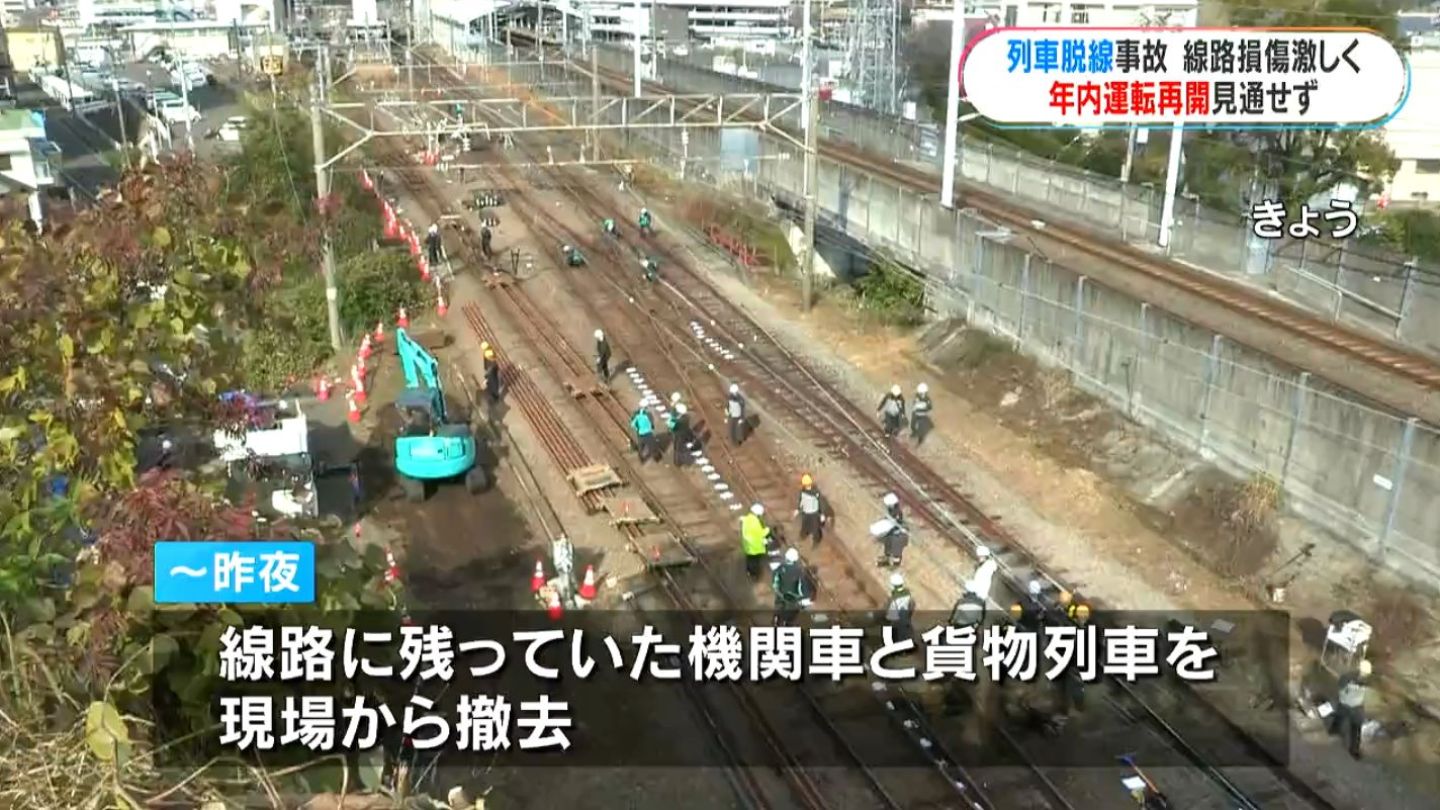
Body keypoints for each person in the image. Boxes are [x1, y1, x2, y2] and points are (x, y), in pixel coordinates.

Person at [1333, 659, 1371, 759]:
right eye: (1364, 673)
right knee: (1343, 718)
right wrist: (1347, 692)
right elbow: (1341, 687)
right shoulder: (1348, 678)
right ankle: (1335, 729)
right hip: (1347, 703)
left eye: (1366, 674)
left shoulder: (1365, 680)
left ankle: (1354, 749)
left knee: (1355, 727)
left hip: (1355, 704)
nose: (1365, 675)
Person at [772, 547, 812, 626]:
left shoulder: (780, 568)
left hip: (780, 595)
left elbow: (775, 581)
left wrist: (777, 590)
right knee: (790, 614)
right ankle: (786, 624)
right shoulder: (799, 572)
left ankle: (776, 620)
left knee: (778, 608)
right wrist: (805, 597)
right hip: (793, 599)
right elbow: (802, 588)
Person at [741, 503, 771, 579]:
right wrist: (767, 530)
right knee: (755, 561)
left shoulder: (747, 519)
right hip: (755, 545)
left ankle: (749, 572)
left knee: (749, 559)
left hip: (747, 544)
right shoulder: (755, 522)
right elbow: (760, 533)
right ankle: (755, 574)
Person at [877, 492, 907, 568]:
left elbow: (896, 523)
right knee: (888, 544)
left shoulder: (896, 513)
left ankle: (895, 563)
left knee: (895, 547)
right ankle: (887, 559)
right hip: (894, 532)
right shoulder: (894, 511)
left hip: (897, 534)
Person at [794, 473, 825, 545]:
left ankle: (816, 540)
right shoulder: (803, 491)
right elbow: (801, 501)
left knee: (815, 528)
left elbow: (820, 503)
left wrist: (821, 514)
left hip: (814, 513)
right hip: (806, 513)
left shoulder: (815, 492)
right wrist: (798, 509)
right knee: (805, 527)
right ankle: (802, 537)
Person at [884, 572, 915, 643]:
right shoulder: (908, 594)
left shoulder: (893, 599)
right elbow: (912, 605)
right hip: (907, 622)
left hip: (897, 624)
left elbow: (890, 616)